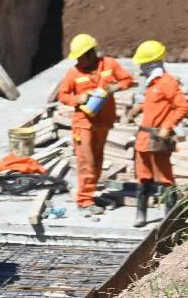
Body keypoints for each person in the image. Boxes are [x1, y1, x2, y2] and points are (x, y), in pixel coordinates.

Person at [57, 33, 135, 211]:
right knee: (87, 161)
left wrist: (115, 86)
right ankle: (84, 201)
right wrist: (78, 98)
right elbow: (63, 95)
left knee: (98, 160)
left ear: (90, 53)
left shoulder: (109, 65)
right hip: (83, 123)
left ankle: (90, 195)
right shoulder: (74, 73)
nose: (79, 61)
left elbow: (128, 80)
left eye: (81, 57)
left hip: (103, 121)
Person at [129, 40, 188, 226]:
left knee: (164, 177)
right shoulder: (152, 83)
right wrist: (139, 108)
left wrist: (167, 126)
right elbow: (154, 104)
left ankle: (170, 217)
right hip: (144, 138)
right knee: (143, 176)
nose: (141, 67)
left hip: (157, 138)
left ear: (152, 63)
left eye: (143, 63)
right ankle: (141, 214)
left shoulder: (167, 82)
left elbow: (182, 106)